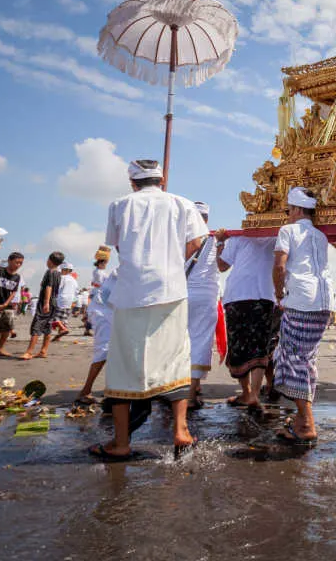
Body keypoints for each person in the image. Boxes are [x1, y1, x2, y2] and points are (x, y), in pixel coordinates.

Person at [88, 159, 207, 462]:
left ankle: (120, 443)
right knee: (176, 357)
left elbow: (116, 245)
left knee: (123, 364)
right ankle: (181, 431)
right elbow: (196, 242)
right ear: (161, 180)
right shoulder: (182, 203)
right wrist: (171, 261)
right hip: (171, 290)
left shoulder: (120, 204)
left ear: (132, 182)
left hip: (131, 292)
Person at [272, 187, 336, 446]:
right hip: (323, 302)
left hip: (301, 300)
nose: (288, 214)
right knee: (307, 359)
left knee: (294, 359)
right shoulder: (320, 235)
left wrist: (279, 293)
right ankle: (302, 418)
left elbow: (279, 266)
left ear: (297, 209)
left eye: (289, 209)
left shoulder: (288, 231)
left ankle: (307, 422)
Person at [216, 228, 279, 411]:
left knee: (239, 346)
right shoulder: (277, 237)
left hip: (238, 296)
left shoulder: (239, 237)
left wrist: (220, 242)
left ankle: (246, 393)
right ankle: (254, 395)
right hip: (265, 296)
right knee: (260, 347)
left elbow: (222, 266)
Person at [185, 201, 220, 410]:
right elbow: (223, 266)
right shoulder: (215, 239)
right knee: (199, 342)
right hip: (206, 296)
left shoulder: (180, 238)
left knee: (179, 343)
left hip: (182, 294)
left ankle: (178, 390)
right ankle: (190, 394)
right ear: (206, 219)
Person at [74, 269, 117, 406]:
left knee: (115, 351)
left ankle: (113, 390)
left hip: (110, 310)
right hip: (103, 312)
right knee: (104, 351)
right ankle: (85, 391)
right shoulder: (127, 268)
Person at [20, 252, 65, 359]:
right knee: (47, 326)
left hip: (46, 302)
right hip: (54, 302)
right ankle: (43, 351)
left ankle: (29, 352)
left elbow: (49, 287)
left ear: (49, 260)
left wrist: (46, 303)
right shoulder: (58, 273)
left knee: (37, 325)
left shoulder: (50, 272)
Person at [53, 262, 78, 341]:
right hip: (70, 301)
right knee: (63, 318)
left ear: (65, 270)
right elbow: (76, 292)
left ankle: (63, 329)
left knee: (55, 317)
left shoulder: (62, 278)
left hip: (61, 299)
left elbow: (57, 288)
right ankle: (59, 337)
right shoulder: (74, 280)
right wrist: (74, 301)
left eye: (61, 270)